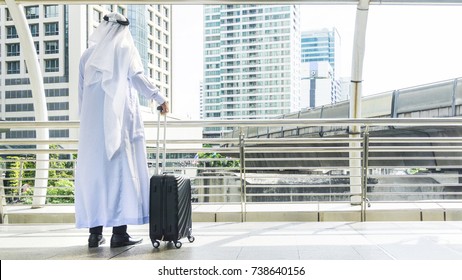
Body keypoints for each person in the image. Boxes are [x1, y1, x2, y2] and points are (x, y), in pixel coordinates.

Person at [75, 12, 169, 248]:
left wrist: (87, 124)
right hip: (121, 124)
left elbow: (81, 97)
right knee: (121, 173)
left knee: (96, 176)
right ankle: (119, 233)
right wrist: (159, 98)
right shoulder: (125, 51)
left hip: (91, 129)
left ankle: (94, 233)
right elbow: (137, 79)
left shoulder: (87, 57)